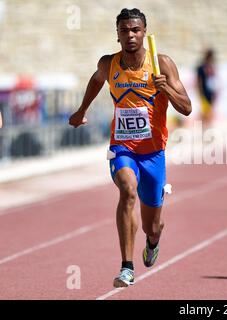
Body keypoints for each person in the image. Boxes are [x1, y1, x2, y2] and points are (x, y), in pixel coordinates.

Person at [69, 8, 192, 287]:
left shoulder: (162, 64)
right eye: (124, 31)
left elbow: (186, 108)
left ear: (144, 33)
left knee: (152, 225)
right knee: (127, 191)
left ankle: (152, 240)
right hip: (122, 147)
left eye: (135, 30)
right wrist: (81, 111)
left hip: (154, 154)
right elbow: (96, 80)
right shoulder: (108, 63)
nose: (130, 35)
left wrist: (167, 89)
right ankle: (126, 266)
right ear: (118, 35)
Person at [196, 48, 217, 127]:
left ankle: (208, 127)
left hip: (211, 92)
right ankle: (204, 128)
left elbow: (214, 80)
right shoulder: (201, 67)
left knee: (210, 111)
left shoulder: (212, 67)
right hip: (204, 92)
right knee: (205, 112)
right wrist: (200, 93)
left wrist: (215, 92)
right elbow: (199, 81)